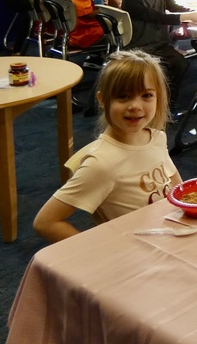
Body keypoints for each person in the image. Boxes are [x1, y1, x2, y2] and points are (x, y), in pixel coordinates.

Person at [33, 50, 181, 243]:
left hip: (171, 232)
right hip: (141, 251)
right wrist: (99, 252)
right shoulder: (102, 163)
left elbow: (178, 187)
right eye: (124, 96)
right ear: (102, 100)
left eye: (146, 95)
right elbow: (45, 222)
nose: (135, 105)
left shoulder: (157, 138)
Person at [122, 0, 197, 106]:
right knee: (159, 69)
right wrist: (186, 16)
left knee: (181, 64)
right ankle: (154, 100)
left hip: (159, 44)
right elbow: (156, 17)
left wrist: (195, 12)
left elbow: (174, 8)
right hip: (138, 47)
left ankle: (168, 102)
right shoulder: (130, 1)